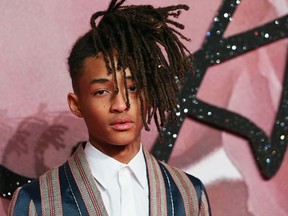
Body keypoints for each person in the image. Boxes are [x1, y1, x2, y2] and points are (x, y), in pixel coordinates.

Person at [8, 0, 211, 215]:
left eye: (133, 87)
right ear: (76, 105)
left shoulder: (188, 193)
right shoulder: (36, 202)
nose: (121, 104)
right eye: (101, 92)